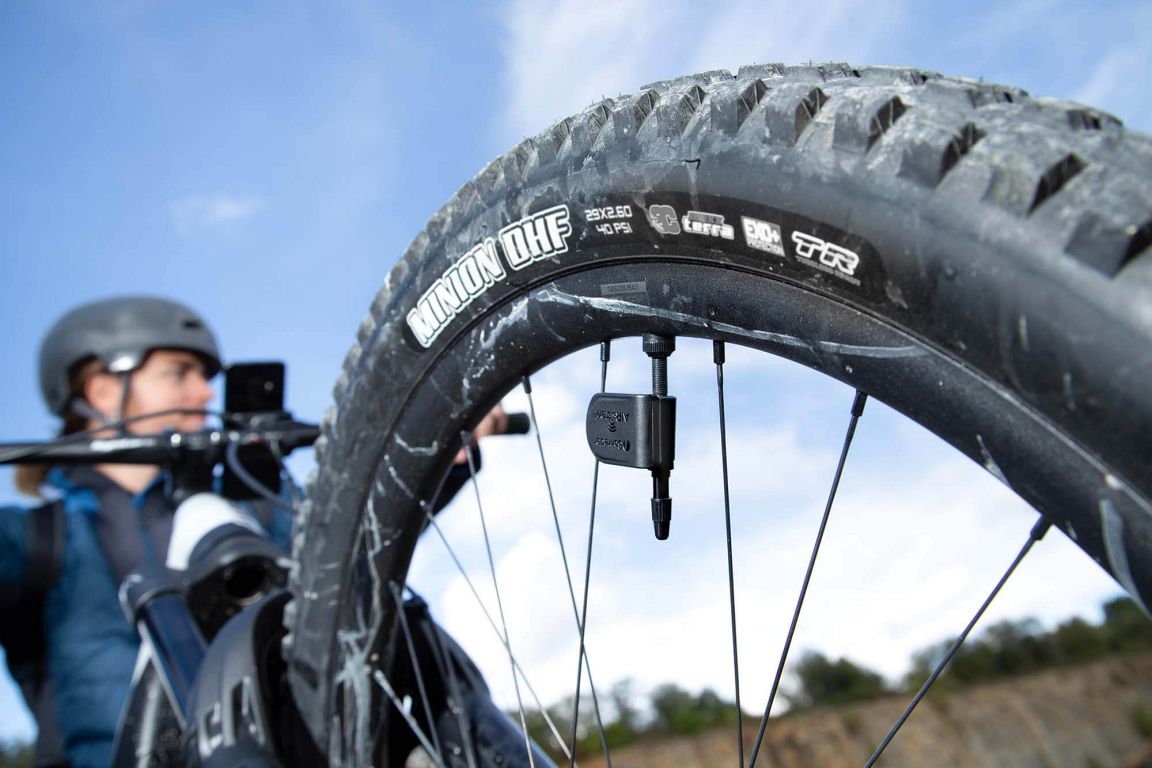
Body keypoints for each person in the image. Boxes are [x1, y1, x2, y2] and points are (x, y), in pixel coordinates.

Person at [0, 295, 507, 767]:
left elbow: (355, 528)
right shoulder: (39, 539)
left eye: (203, 377)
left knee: (407, 629)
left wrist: (444, 443)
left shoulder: (249, 514)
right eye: (179, 374)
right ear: (104, 391)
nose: (203, 392)